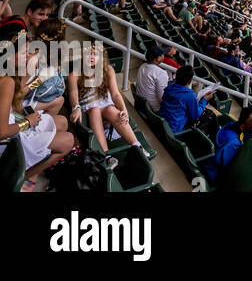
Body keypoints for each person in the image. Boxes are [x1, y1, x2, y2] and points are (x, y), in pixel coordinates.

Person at [1, 30, 74, 191]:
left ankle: (31, 171)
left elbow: (16, 101)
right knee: (68, 140)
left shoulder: (10, 75)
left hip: (14, 120)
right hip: (9, 142)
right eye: (24, 52)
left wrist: (30, 77)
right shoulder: (6, 81)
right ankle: (23, 177)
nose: (29, 56)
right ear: (9, 56)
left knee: (62, 121)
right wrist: (27, 122)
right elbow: (2, 131)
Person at [69, 40, 145, 168]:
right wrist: (75, 107)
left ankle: (137, 146)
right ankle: (106, 156)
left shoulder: (108, 69)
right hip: (89, 108)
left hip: (106, 104)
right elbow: (73, 93)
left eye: (95, 54)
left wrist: (124, 109)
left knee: (111, 110)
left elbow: (115, 94)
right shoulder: (75, 73)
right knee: (94, 110)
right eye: (89, 54)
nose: (92, 57)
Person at [158, 64, 211, 133]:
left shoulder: (169, 87)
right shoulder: (189, 95)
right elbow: (195, 115)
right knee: (210, 115)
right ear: (190, 81)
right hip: (174, 130)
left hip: (162, 122)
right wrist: (204, 100)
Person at [133, 44, 170, 113]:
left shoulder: (142, 66)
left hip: (141, 105)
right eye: (162, 54)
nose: (164, 55)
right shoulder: (161, 73)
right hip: (154, 110)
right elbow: (162, 99)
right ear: (158, 58)